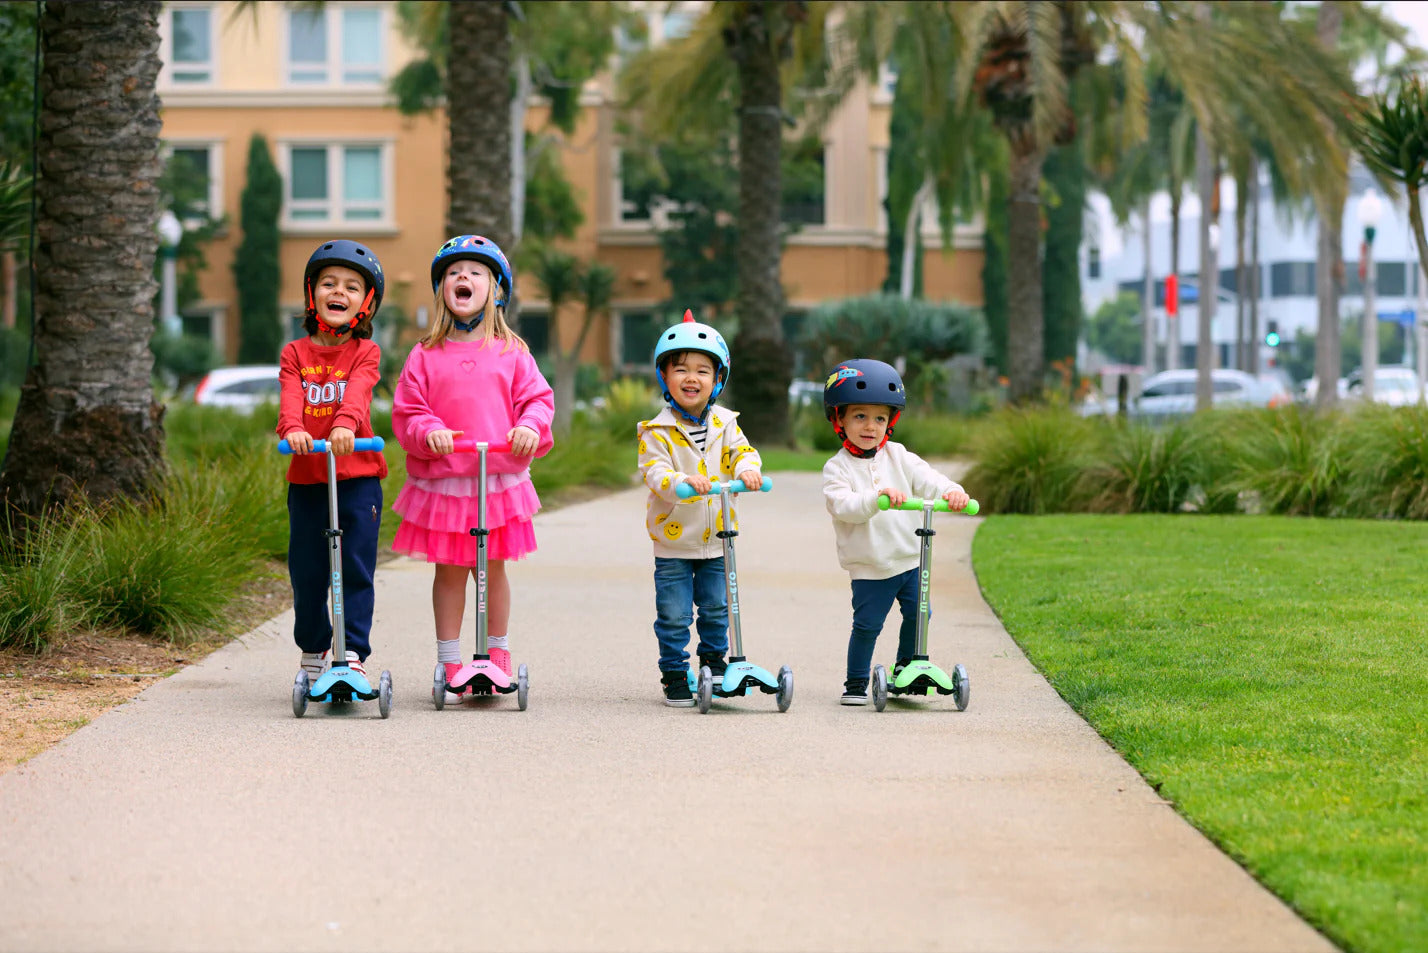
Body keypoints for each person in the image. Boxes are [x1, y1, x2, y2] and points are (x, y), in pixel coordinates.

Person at [391, 235, 554, 704]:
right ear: (442, 288)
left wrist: (529, 425)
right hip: (446, 480)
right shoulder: (425, 353)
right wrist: (428, 430)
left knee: (492, 569)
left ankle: (497, 653)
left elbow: (538, 401)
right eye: (455, 273)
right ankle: (449, 659)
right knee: (450, 571)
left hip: (496, 477)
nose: (464, 278)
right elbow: (409, 407)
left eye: (476, 273)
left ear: (496, 291)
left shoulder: (512, 352)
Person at [820, 358, 970, 705]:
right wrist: (878, 498)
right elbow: (844, 506)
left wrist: (952, 491)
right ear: (839, 418)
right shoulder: (836, 469)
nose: (870, 426)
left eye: (880, 418)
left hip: (909, 559)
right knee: (868, 625)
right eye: (860, 416)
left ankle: (907, 668)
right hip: (871, 567)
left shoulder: (899, 456)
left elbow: (928, 478)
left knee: (920, 614)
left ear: (891, 422)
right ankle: (855, 683)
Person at [277, 240, 388, 685]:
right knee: (307, 572)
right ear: (312, 294)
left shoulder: (365, 352)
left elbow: (360, 388)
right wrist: (292, 430)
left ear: (366, 303)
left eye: (351, 286)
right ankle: (314, 645)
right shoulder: (295, 353)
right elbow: (290, 396)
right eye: (328, 283)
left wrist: (345, 424)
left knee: (356, 568)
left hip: (357, 478)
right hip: (308, 479)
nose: (338, 291)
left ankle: (354, 653)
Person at [637, 310, 762, 707]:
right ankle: (675, 672)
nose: (692, 378)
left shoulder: (727, 424)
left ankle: (714, 663)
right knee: (674, 615)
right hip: (674, 542)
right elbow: (655, 472)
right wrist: (680, 483)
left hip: (718, 540)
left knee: (717, 607)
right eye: (681, 369)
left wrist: (749, 469)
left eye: (703, 371)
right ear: (664, 378)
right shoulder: (656, 432)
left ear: (718, 380)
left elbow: (742, 452)